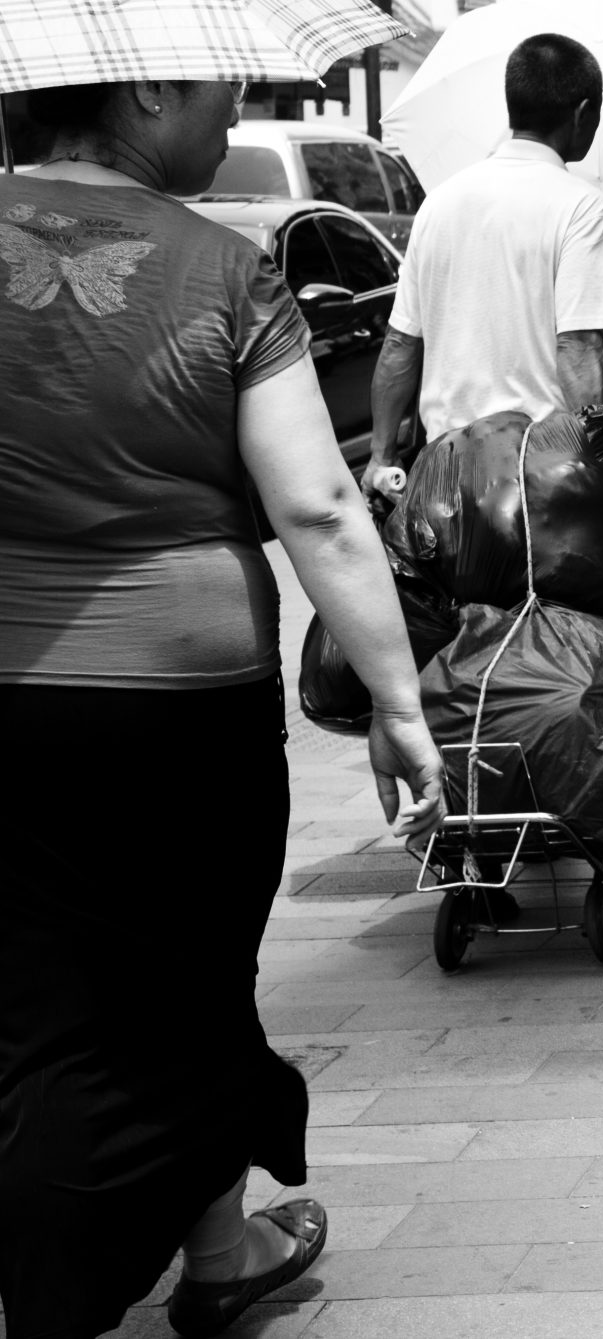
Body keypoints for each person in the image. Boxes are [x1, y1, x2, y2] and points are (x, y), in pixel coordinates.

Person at [0, 77, 444, 1339]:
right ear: (144, 96)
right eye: (217, 93)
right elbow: (316, 507)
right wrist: (399, 699)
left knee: (37, 989)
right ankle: (67, 1277)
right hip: (180, 706)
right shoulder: (222, 268)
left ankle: (221, 1248)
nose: (229, 113)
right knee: (187, 979)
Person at [364, 33, 603, 485]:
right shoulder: (580, 206)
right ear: (583, 113)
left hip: (442, 473)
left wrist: (380, 459)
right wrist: (596, 468)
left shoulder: (439, 203)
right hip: (534, 473)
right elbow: (579, 348)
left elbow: (400, 345)